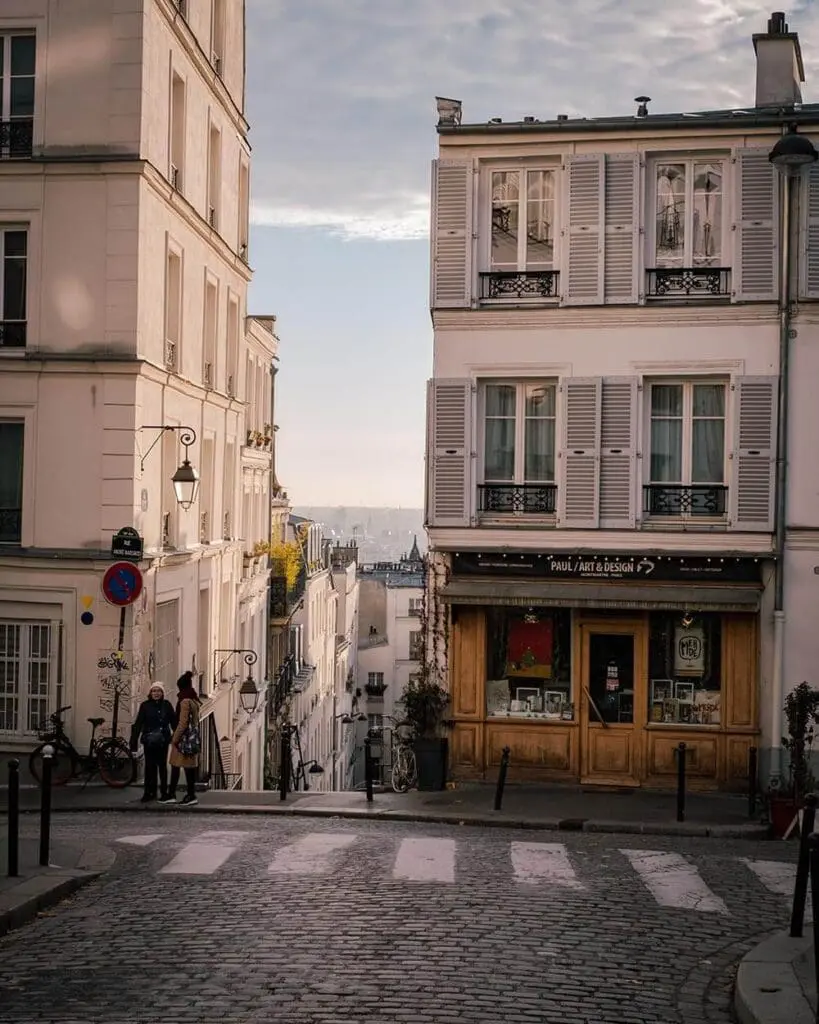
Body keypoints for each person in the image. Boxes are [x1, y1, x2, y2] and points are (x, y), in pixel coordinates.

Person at [130, 682, 177, 803]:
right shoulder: (145, 706)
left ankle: (164, 792)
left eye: (159, 691)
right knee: (149, 767)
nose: (156, 693)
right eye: (154, 691)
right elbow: (139, 723)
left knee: (162, 767)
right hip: (149, 740)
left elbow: (173, 722)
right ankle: (148, 792)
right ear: (150, 693)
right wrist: (133, 743)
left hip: (163, 741)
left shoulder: (166, 705)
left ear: (162, 693)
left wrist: (176, 737)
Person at [168, 671, 201, 805]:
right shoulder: (193, 699)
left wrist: (174, 738)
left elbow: (182, 723)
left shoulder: (185, 701)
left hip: (183, 739)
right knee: (187, 768)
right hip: (191, 738)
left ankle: (184, 795)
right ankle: (179, 794)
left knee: (178, 767)